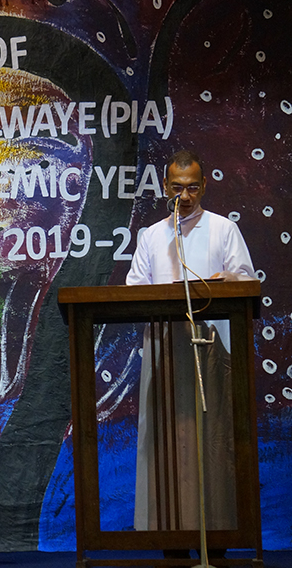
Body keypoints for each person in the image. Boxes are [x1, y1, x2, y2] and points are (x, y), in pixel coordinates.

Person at [126, 151, 255, 544]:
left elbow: (247, 281)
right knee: (168, 442)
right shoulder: (152, 236)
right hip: (166, 349)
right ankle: (170, 538)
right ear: (165, 187)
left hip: (211, 348)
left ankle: (218, 535)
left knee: (215, 440)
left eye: (193, 188)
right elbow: (133, 290)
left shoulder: (223, 229)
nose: (185, 196)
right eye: (177, 188)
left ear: (204, 186)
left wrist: (227, 280)